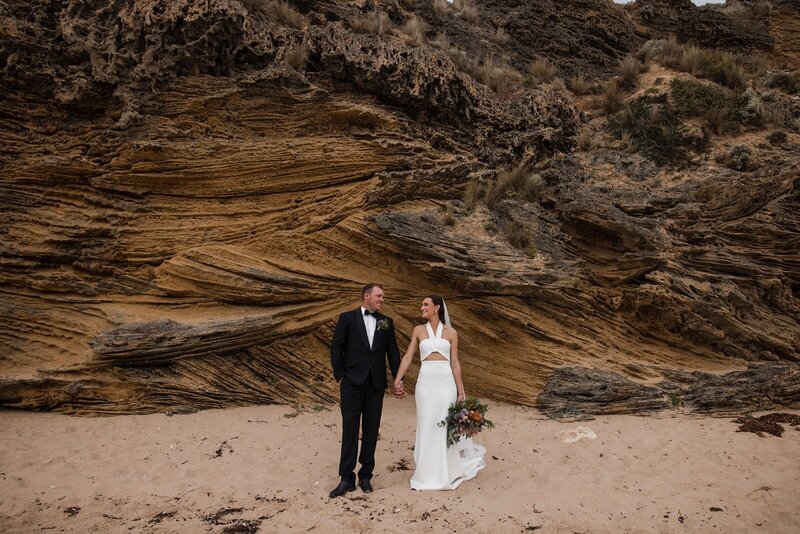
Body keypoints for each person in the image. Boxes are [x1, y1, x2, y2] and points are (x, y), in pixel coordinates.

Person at [393, 295, 486, 490]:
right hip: (425, 382)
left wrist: (460, 391)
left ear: (436, 307)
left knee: (444, 426)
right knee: (426, 424)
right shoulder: (418, 330)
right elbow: (409, 356)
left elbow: (455, 363)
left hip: (446, 383)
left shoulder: (452, 332)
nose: (422, 307)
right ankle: (426, 472)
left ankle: (444, 471)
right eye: (422, 305)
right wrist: (398, 379)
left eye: (425, 304)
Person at [329, 283, 402, 497]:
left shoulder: (386, 322)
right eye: (379, 296)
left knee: (371, 430)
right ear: (367, 296)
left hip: (376, 384)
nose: (382, 300)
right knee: (349, 429)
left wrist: (398, 380)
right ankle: (346, 478)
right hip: (351, 382)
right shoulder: (347, 318)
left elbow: (393, 353)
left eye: (383, 297)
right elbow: (336, 347)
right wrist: (340, 375)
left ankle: (366, 475)